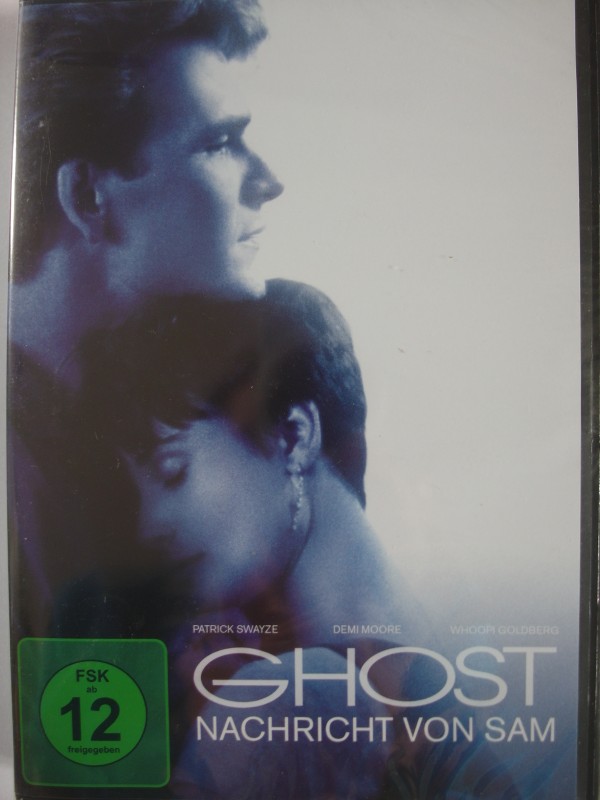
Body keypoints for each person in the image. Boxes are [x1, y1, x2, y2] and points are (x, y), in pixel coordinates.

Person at [79, 280, 520, 799]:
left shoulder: (293, 695)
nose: (149, 523)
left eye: (172, 471)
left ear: (294, 436)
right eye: (136, 495)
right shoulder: (445, 679)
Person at [8, 0, 283, 636]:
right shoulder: (21, 470)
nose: (270, 181)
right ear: (87, 195)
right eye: (220, 143)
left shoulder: (116, 416)